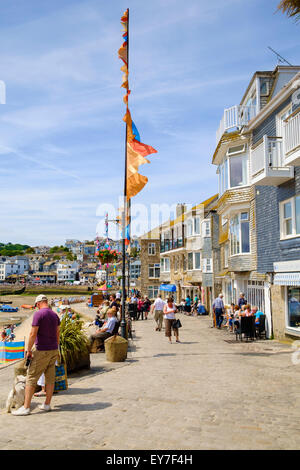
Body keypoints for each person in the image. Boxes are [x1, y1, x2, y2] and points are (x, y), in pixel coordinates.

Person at [12, 294, 60, 416]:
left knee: (31, 377)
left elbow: (33, 333)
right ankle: (47, 404)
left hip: (41, 350)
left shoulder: (39, 314)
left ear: (38, 303)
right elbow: (57, 333)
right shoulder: (55, 315)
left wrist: (28, 350)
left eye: (36, 306)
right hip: (53, 349)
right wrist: (57, 349)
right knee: (50, 377)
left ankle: (26, 407)